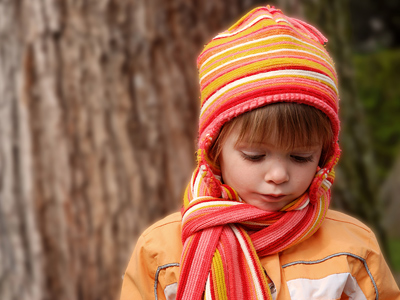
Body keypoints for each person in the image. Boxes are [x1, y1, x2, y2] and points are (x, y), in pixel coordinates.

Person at [120, 5, 400, 300]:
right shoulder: (161, 251)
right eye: (254, 156)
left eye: (301, 157)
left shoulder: (352, 248)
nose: (278, 175)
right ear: (214, 152)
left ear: (324, 157)